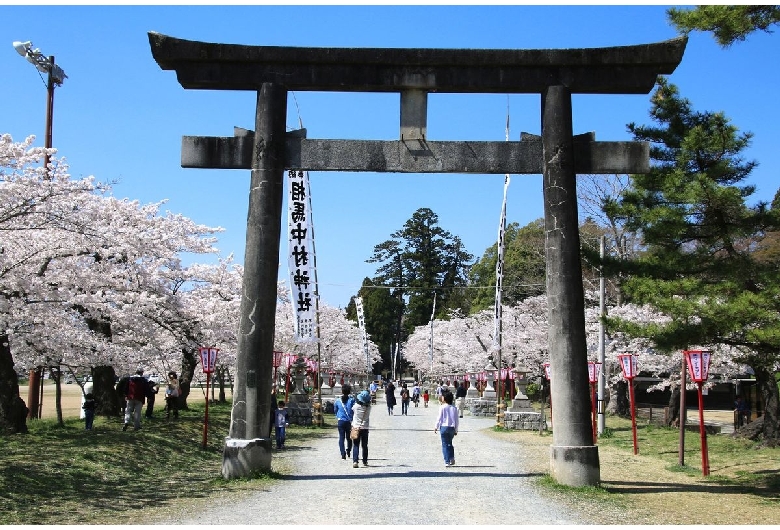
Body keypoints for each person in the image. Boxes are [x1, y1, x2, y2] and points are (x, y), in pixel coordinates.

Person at [434, 391, 459, 466]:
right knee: (449, 443)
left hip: (444, 427)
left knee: (445, 444)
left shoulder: (442, 407)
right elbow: (456, 420)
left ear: (444, 398)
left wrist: (436, 426)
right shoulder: (454, 408)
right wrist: (456, 429)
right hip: (451, 427)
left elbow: (439, 418)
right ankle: (451, 458)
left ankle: (447, 461)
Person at [351, 390, 372, 468]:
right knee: (364, 445)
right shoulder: (369, 407)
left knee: (356, 444)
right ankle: (365, 461)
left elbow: (352, 408)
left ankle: (355, 461)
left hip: (356, 427)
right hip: (365, 427)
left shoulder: (356, 406)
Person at [334, 383, 355, 459]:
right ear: (349, 391)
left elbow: (335, 410)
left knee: (341, 438)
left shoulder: (338, 401)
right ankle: (348, 450)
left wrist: (338, 416)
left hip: (341, 421)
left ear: (342, 391)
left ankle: (343, 453)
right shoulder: (352, 400)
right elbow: (354, 410)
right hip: (349, 421)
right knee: (349, 438)